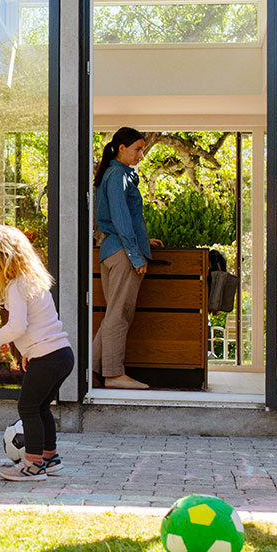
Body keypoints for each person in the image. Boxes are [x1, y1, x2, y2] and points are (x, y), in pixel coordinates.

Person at [0, 225, 75, 481]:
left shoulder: (16, 286)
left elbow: (18, 325)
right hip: (60, 354)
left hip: (48, 356)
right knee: (41, 407)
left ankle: (32, 465)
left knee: (27, 407)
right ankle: (50, 458)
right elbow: (41, 322)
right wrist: (28, 350)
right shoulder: (32, 281)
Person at [92, 127, 163, 390]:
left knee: (114, 314)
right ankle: (113, 374)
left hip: (113, 251)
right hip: (122, 254)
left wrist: (145, 241)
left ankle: (89, 372)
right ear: (121, 148)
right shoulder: (117, 176)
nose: (141, 155)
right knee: (119, 315)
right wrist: (136, 254)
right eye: (137, 149)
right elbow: (121, 218)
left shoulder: (115, 175)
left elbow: (121, 220)